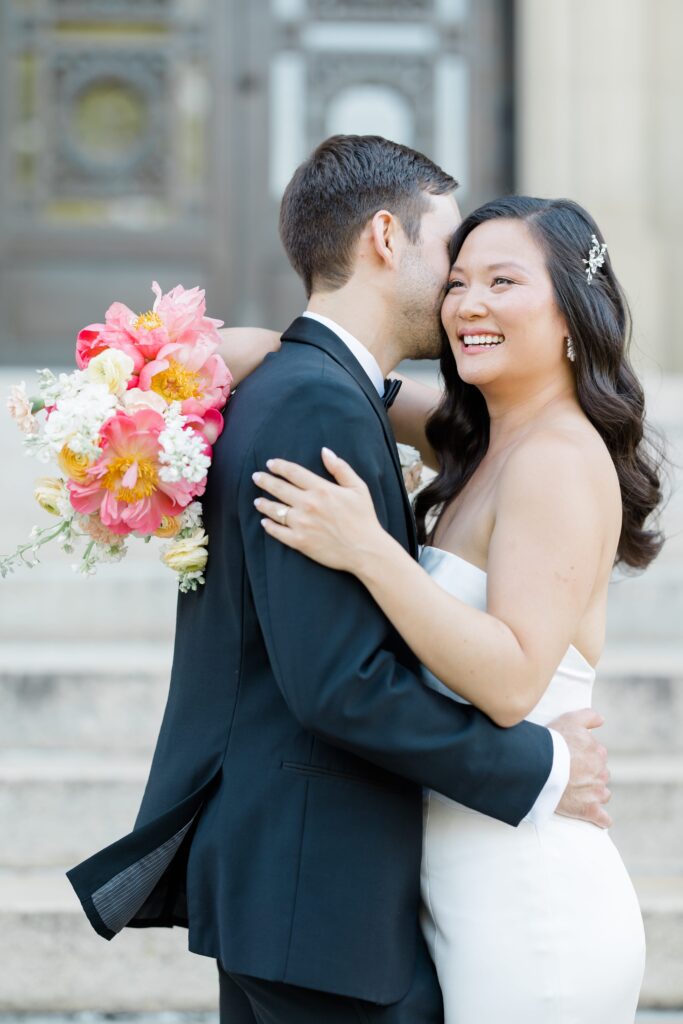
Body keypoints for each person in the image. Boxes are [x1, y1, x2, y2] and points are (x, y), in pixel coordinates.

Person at [66, 138, 611, 1024]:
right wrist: (541, 765)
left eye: (497, 281)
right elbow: (337, 683)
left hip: (332, 883)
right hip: (315, 884)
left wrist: (256, 352)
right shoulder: (316, 398)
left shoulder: (340, 394)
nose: (459, 294)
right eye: (452, 261)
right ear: (388, 238)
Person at [250, 194, 664, 1021]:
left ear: (571, 316)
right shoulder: (480, 439)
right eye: (458, 280)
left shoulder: (554, 455)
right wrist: (217, 353)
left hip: (530, 899)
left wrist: (370, 550)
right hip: (463, 875)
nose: (468, 305)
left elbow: (512, 683)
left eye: (503, 282)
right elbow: (329, 372)